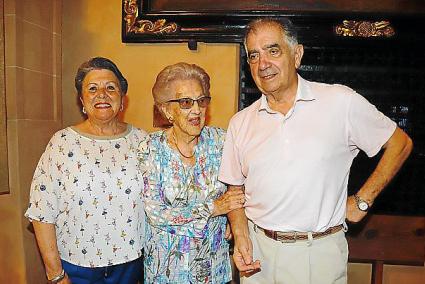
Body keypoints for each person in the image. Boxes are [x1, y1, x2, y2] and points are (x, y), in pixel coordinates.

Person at [219, 18, 413, 283]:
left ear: (296, 55)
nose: (262, 64)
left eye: (272, 51)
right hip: (258, 258)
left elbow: (400, 143)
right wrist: (240, 234)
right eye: (254, 55)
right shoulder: (240, 122)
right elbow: (234, 191)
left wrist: (362, 200)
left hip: (317, 255)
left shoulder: (340, 102)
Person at [25, 57, 146, 284]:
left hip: (130, 267)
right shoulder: (61, 143)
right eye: (92, 88)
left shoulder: (143, 141)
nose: (102, 94)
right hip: (76, 270)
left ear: (122, 99)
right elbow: (41, 212)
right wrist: (56, 275)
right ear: (82, 99)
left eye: (111, 87)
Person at [138, 62, 245, 283]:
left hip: (214, 268)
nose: (196, 109)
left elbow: (240, 188)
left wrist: (234, 222)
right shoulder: (150, 148)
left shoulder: (221, 142)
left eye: (202, 100)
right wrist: (214, 208)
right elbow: (156, 214)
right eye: (186, 102)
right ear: (167, 110)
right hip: (166, 271)